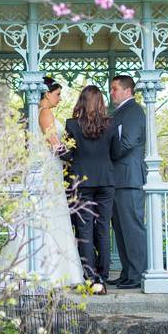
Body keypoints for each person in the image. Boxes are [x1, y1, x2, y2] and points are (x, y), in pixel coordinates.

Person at [0, 77, 84, 286]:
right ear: (47, 94)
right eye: (58, 94)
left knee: (47, 217)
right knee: (47, 216)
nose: (60, 99)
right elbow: (55, 145)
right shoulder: (45, 113)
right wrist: (77, 156)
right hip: (46, 171)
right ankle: (46, 270)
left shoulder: (36, 113)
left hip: (48, 170)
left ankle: (46, 267)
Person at [62, 85, 115, 294]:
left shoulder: (72, 125)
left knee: (84, 230)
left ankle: (90, 277)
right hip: (106, 181)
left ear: (81, 102)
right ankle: (103, 274)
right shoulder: (111, 124)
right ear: (101, 102)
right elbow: (116, 151)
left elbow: (67, 155)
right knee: (102, 228)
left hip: (81, 181)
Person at [108, 75, 148, 290]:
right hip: (118, 178)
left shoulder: (133, 110)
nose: (111, 92)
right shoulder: (120, 112)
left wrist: (104, 153)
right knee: (121, 229)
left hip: (129, 177)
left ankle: (138, 273)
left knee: (132, 227)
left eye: (114, 89)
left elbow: (127, 142)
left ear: (127, 90)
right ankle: (127, 272)